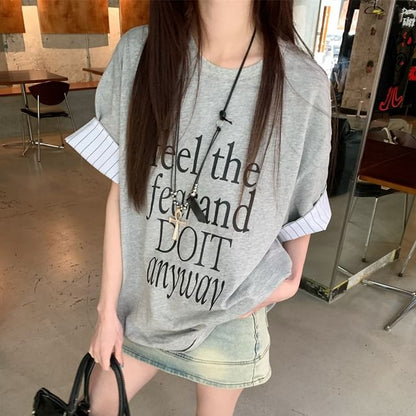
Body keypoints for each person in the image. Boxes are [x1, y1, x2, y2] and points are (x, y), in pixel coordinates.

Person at [66, 0, 332, 415]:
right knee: (97, 407)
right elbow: (123, 192)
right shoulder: (140, 54)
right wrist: (107, 311)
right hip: (145, 307)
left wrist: (288, 282)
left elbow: (305, 207)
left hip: (229, 316)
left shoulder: (302, 84)